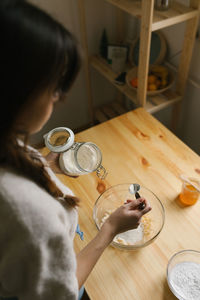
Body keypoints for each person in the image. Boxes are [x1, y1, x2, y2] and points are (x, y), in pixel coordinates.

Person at [0, 1, 152, 299]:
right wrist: (110, 228)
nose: (61, 98)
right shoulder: (30, 217)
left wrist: (41, 164)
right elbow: (64, 291)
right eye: (55, 87)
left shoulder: (10, 145)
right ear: (17, 90)